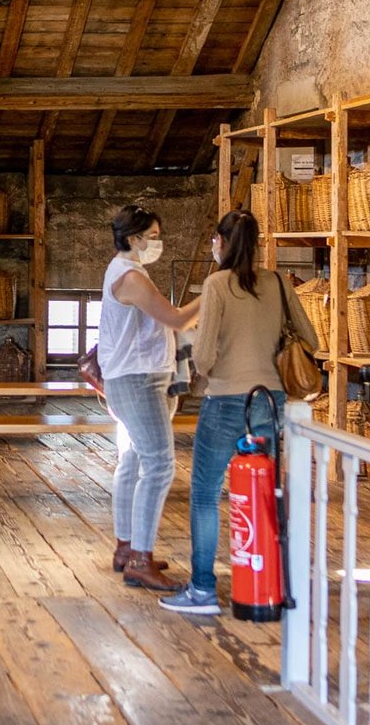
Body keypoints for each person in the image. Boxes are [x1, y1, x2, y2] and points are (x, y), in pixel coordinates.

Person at [161, 209, 318, 615]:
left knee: (206, 495)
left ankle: (202, 589)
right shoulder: (279, 282)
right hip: (271, 400)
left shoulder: (216, 285)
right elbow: (311, 338)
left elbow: (206, 354)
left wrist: (204, 359)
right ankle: (266, 580)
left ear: (222, 242)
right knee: (263, 492)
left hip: (226, 400)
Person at [100, 205, 199, 592]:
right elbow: (175, 320)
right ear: (132, 238)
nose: (156, 243)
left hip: (135, 377)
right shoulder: (130, 278)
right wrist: (214, 293)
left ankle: (127, 548)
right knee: (159, 466)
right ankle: (140, 558)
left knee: (134, 460)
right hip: (138, 380)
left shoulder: (127, 272)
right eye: (152, 237)